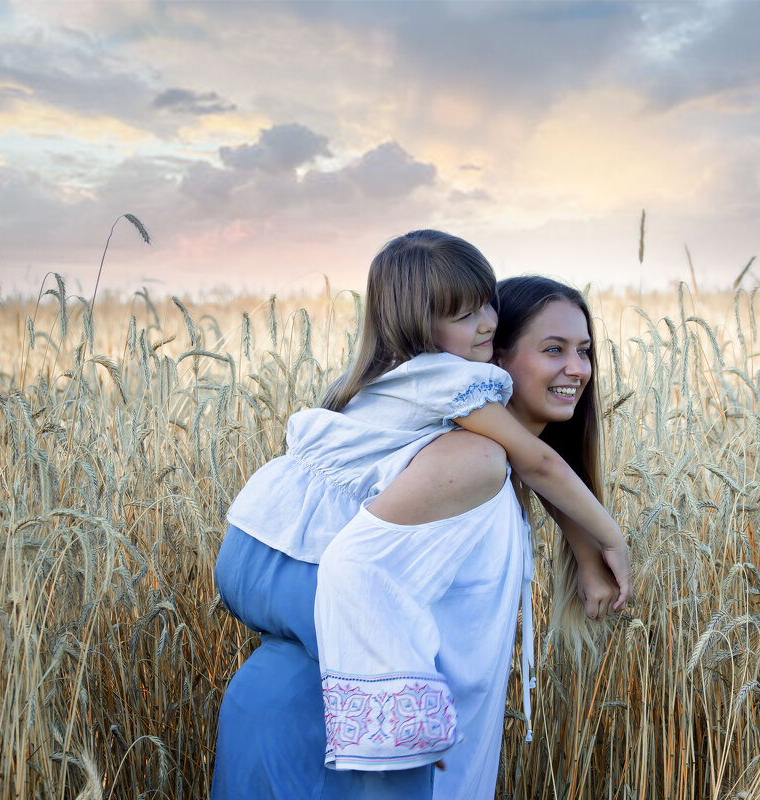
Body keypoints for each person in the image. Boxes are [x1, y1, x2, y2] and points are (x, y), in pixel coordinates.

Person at [211, 232, 626, 798]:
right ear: (493, 356)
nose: (577, 368)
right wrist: (609, 538)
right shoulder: (468, 454)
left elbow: (541, 469)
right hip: (332, 748)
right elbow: (352, 571)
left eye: (585, 351)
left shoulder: (442, 433)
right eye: (553, 349)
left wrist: (581, 545)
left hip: (303, 711)